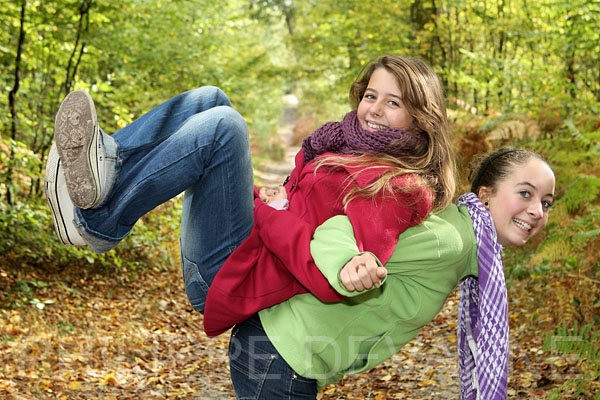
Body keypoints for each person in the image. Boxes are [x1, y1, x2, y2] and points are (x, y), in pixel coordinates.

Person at [44, 55, 456, 338]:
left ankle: (98, 221)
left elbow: (331, 275)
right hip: (244, 249)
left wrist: (263, 209)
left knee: (225, 126)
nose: (375, 108)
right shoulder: (343, 146)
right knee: (209, 98)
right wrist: (270, 200)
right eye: (371, 95)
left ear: (421, 118)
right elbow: (301, 205)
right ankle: (109, 167)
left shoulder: (398, 187)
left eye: (394, 102)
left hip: (232, 275)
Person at [228, 148, 555, 399]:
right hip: (279, 353)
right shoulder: (450, 241)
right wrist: (346, 263)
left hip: (284, 355)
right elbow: (342, 226)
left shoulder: (466, 245)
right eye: (525, 193)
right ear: (486, 194)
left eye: (546, 202)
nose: (537, 211)